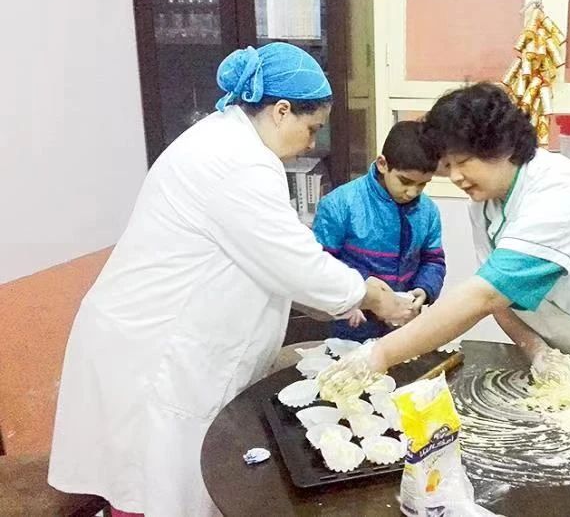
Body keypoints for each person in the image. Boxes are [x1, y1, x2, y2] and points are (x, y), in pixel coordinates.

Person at [47, 43, 413, 517]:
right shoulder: (237, 161)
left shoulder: (226, 142)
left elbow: (274, 245)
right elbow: (291, 261)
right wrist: (370, 295)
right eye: (311, 128)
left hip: (154, 340)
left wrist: (340, 295)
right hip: (155, 349)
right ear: (281, 111)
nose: (310, 144)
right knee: (154, 484)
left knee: (157, 481)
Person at [319, 82, 570, 403]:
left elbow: (484, 296)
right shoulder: (484, 205)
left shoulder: (561, 196)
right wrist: (537, 349)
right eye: (449, 165)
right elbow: (499, 300)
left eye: (464, 161)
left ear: (504, 147)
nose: (456, 177)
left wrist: (379, 355)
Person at [312, 120, 446, 341]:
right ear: (383, 164)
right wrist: (359, 295)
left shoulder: (428, 211)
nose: (412, 192)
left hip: (404, 324)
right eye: (405, 181)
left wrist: (424, 289)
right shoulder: (340, 204)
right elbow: (321, 265)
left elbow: (433, 261)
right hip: (353, 323)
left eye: (422, 184)